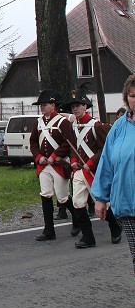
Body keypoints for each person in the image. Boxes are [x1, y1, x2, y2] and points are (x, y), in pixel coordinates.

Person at [92, 73, 135, 308]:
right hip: (127, 206)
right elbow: (107, 163)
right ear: (127, 98)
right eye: (132, 95)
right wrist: (100, 197)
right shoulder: (119, 127)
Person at [62, 90, 122, 248]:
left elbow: (104, 149)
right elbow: (73, 148)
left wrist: (91, 163)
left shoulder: (95, 125)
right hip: (80, 171)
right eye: (73, 106)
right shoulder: (74, 126)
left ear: (85, 107)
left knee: (102, 204)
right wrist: (74, 161)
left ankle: (115, 228)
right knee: (77, 203)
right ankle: (88, 237)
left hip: (94, 170)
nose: (75, 109)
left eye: (78, 106)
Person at [30, 89, 76, 241]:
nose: (42, 107)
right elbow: (33, 142)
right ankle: (49, 230)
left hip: (58, 164)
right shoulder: (38, 122)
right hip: (44, 165)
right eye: (41, 105)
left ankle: (78, 219)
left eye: (45, 104)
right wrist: (38, 157)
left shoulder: (63, 122)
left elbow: (68, 143)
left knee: (63, 197)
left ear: (53, 105)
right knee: (46, 194)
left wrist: (55, 156)